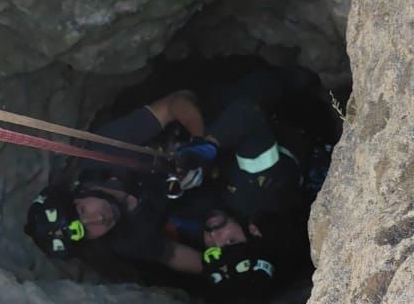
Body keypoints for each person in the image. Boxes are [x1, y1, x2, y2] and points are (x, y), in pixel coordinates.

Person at [26, 70, 317, 283]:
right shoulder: (125, 239)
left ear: (76, 195)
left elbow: (177, 101)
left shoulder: (106, 152)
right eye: (85, 231)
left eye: (81, 212)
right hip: (205, 192)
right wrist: (221, 268)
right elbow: (171, 255)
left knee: (249, 94)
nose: (97, 220)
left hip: (207, 129)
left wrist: (199, 144)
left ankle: (297, 86)